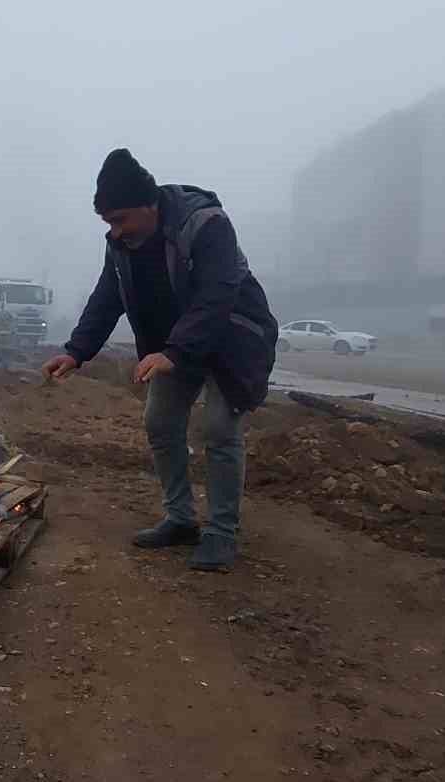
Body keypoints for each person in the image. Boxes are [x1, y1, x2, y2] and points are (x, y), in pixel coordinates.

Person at [41, 149, 277, 572]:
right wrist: (76, 351)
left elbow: (216, 295)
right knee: (160, 422)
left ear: (151, 206)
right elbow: (107, 296)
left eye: (121, 220)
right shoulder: (121, 243)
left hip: (232, 338)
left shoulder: (207, 225)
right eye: (108, 223)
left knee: (220, 428)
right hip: (174, 346)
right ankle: (181, 518)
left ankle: (221, 533)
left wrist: (174, 352)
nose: (114, 232)